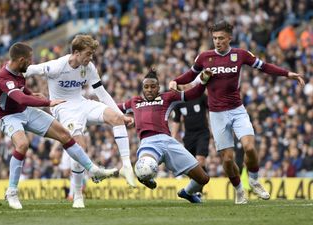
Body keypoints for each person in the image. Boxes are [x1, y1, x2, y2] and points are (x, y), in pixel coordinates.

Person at [169, 20, 305, 204]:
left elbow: (264, 66)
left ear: (229, 38)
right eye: (215, 38)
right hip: (217, 115)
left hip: (237, 110)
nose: (217, 41)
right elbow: (190, 75)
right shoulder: (204, 57)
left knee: (249, 146)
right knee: (227, 159)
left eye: (221, 38)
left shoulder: (240, 55)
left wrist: (288, 74)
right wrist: (175, 81)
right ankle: (240, 190)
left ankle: (254, 181)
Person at [0, 42, 118, 210]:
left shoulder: (17, 70)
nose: (31, 62)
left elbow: (21, 89)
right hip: (8, 116)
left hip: (26, 111)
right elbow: (20, 98)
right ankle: (12, 192)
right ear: (21, 59)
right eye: (29, 60)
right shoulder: (4, 77)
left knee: (65, 135)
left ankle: (93, 170)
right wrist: (48, 102)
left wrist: (31, 93)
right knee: (22, 144)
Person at [24, 34, 136, 208]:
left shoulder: (89, 67)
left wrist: (120, 113)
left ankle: (127, 166)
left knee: (116, 119)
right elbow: (30, 70)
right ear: (76, 53)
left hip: (82, 103)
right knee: (79, 147)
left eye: (91, 54)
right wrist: (11, 80)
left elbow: (102, 93)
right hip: (63, 108)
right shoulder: (57, 66)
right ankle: (77, 195)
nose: (90, 57)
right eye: (88, 53)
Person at [118, 68, 210, 203]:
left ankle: (187, 193)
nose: (149, 90)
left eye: (153, 87)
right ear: (142, 88)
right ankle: (144, 177)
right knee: (144, 166)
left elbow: (193, 94)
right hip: (148, 143)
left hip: (168, 142)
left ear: (158, 88)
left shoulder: (168, 97)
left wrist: (203, 82)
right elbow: (114, 108)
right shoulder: (134, 102)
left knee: (203, 179)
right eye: (146, 87)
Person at [171, 91, 210, 197]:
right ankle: (194, 189)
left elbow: (211, 110)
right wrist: (173, 138)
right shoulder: (179, 101)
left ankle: (198, 192)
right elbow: (176, 120)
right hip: (188, 137)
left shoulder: (200, 95)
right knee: (191, 167)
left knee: (200, 160)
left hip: (202, 133)